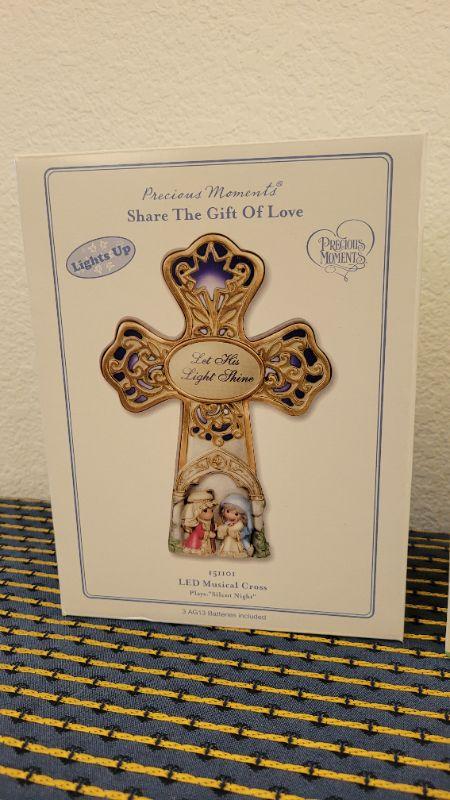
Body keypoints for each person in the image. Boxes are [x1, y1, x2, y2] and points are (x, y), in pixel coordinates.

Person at [216, 493, 254, 558]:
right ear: (223, 511)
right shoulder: (227, 523)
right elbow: (221, 533)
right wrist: (223, 528)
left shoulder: (240, 524)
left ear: (242, 515)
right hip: (227, 540)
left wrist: (228, 528)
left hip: (235, 540)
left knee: (236, 546)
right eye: (228, 511)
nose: (231, 516)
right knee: (226, 545)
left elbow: (233, 533)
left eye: (236, 514)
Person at [181, 489, 216, 556]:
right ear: (196, 512)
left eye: (211, 510)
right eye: (205, 511)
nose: (210, 514)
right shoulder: (198, 524)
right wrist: (209, 534)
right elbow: (200, 534)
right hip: (198, 542)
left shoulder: (207, 522)